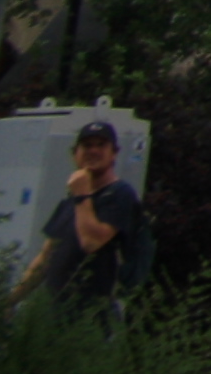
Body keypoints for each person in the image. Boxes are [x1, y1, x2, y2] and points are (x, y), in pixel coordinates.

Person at [13, 120, 143, 309]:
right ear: (75, 153)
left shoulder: (120, 194)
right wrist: (10, 301)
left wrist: (82, 194)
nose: (93, 151)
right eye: (87, 145)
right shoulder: (71, 201)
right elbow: (45, 257)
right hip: (55, 313)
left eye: (101, 145)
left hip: (90, 315)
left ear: (114, 153)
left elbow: (91, 242)